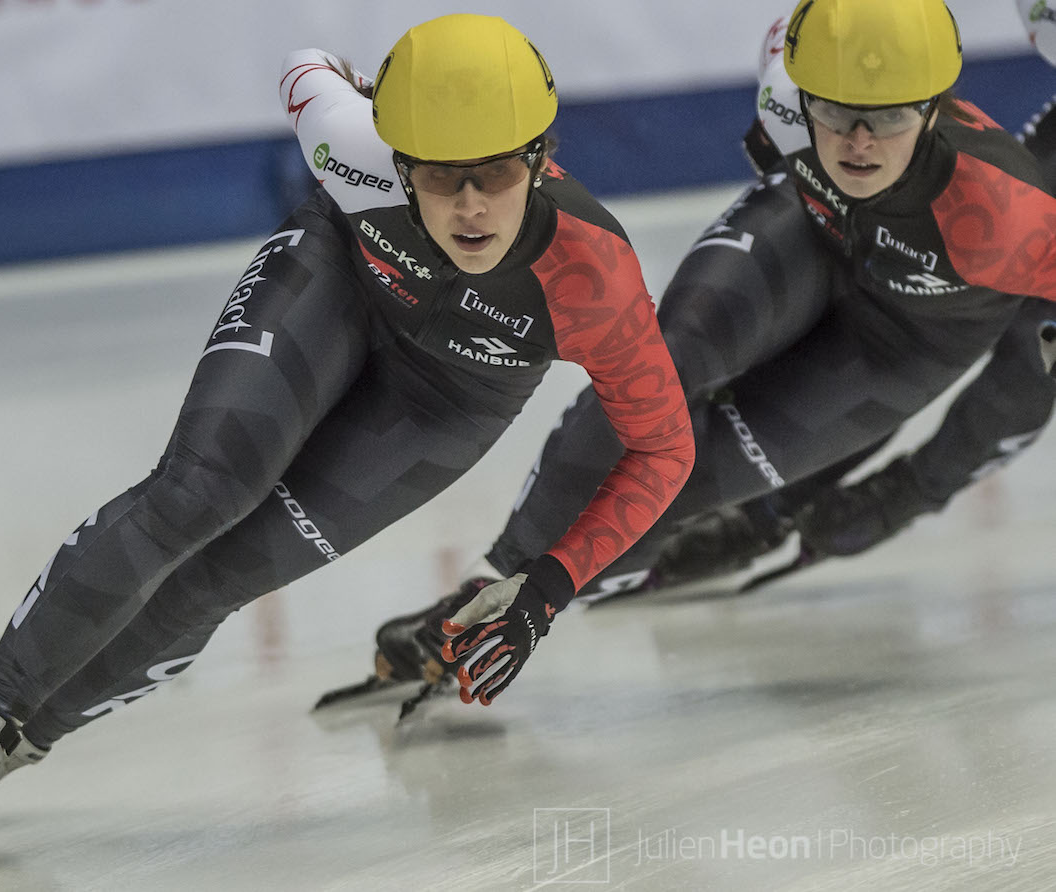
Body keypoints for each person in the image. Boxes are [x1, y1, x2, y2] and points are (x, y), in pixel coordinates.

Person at [0, 14, 695, 857]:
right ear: (395, 160)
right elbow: (306, 67)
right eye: (439, 177)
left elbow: (665, 449)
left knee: (218, 581)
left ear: (541, 160)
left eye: (498, 173)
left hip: (452, 395)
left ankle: (17, 745)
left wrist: (547, 587)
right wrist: (355, 85)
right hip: (337, 277)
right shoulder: (350, 146)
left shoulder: (595, 278)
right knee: (199, 492)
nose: (471, 206)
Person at [360, 0, 1056, 701]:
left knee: (685, 485)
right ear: (799, 94)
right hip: (813, 236)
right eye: (836, 114)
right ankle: (490, 586)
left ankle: (733, 522)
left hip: (905, 341)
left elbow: (1027, 380)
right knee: (662, 373)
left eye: (892, 117)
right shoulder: (786, 95)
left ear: (936, 110)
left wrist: (913, 490)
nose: (860, 142)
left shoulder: (1011, 218)